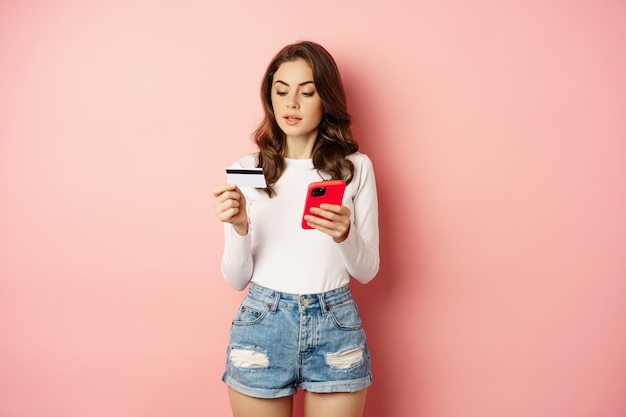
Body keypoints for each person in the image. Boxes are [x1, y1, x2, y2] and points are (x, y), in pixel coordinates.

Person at [212, 40, 379, 417]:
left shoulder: (355, 168)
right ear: (269, 97)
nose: (292, 104)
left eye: (307, 92)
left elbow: (367, 271)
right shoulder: (247, 169)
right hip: (263, 321)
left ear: (327, 99)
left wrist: (343, 234)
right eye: (281, 91)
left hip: (335, 323)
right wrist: (239, 227)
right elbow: (236, 279)